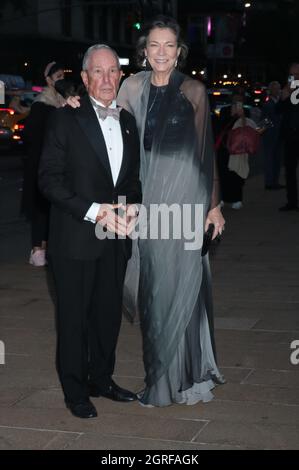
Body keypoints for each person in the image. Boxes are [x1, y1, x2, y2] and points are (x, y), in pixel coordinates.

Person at [68, 16, 225, 408]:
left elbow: (207, 154)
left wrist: (215, 206)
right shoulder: (132, 86)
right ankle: (159, 376)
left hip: (187, 201)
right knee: (153, 291)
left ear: (178, 51)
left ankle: (183, 381)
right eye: (153, 45)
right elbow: (101, 108)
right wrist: (74, 101)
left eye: (168, 45)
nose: (161, 52)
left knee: (183, 288)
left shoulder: (194, 90)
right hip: (146, 205)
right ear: (143, 50)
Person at [39, 45, 142, 418]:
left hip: (115, 240)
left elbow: (131, 180)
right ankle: (75, 390)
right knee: (73, 319)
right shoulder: (65, 119)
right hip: (74, 239)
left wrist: (133, 206)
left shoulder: (128, 121)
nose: (106, 79)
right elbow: (48, 180)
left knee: (106, 315)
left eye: (113, 71)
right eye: (97, 72)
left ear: (121, 76)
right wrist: (95, 211)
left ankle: (102, 378)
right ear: (84, 79)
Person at [22, 62, 66, 266]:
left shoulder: (62, 101)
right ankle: (37, 249)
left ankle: (48, 247)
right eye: (57, 77)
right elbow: (31, 135)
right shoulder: (42, 103)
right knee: (40, 207)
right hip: (40, 163)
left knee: (52, 207)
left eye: (62, 76)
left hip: (56, 164)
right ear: (48, 80)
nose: (61, 80)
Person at [216, 92, 250, 209]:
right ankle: (223, 198)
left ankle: (237, 198)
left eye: (240, 101)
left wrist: (242, 116)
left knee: (237, 172)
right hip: (225, 147)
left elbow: (247, 128)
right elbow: (221, 126)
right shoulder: (224, 111)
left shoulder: (246, 112)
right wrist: (233, 116)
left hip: (239, 147)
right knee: (223, 172)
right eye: (235, 101)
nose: (237, 103)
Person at [278, 62, 299, 211]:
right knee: (290, 171)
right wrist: (285, 94)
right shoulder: (287, 89)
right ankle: (292, 202)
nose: (294, 77)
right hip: (290, 136)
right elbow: (280, 109)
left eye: (297, 74)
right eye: (292, 75)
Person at [261, 81, 284, 190]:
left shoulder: (281, 102)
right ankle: (269, 183)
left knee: (277, 160)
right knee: (269, 159)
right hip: (270, 136)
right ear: (271, 90)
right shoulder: (268, 104)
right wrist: (270, 128)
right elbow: (264, 120)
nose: (278, 91)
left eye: (279, 88)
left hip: (279, 135)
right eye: (275, 89)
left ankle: (275, 181)